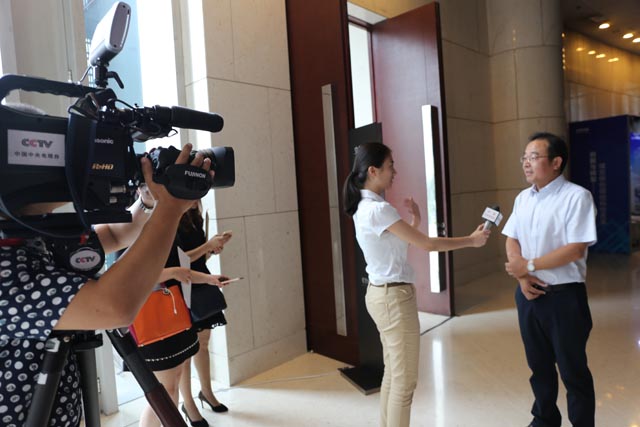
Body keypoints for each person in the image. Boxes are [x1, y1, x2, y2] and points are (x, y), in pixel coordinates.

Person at [0, 132, 212, 427]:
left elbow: (111, 235)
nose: (72, 168)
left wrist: (148, 202)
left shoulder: (29, 235)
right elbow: (115, 306)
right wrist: (170, 209)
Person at [342, 142, 490, 427]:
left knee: (394, 374)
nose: (394, 172)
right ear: (373, 171)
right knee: (404, 382)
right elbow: (427, 244)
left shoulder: (365, 206)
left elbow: (398, 244)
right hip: (393, 300)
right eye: (390, 166)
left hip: (382, 296)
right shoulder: (378, 209)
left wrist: (416, 218)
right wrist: (471, 241)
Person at [502, 132, 597, 427]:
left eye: (534, 157)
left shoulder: (576, 197)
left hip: (564, 297)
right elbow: (511, 237)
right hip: (528, 295)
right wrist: (522, 275)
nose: (526, 163)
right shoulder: (523, 198)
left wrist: (528, 265)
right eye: (524, 157)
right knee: (539, 366)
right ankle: (544, 420)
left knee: (572, 370)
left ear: (556, 162)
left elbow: (575, 248)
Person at [177, 202, 232, 426]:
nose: (195, 201)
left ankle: (206, 392)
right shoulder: (171, 218)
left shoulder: (195, 217)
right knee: (185, 351)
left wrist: (212, 249)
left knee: (203, 343)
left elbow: (199, 259)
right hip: (182, 287)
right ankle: (188, 403)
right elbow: (180, 260)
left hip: (201, 283)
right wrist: (207, 245)